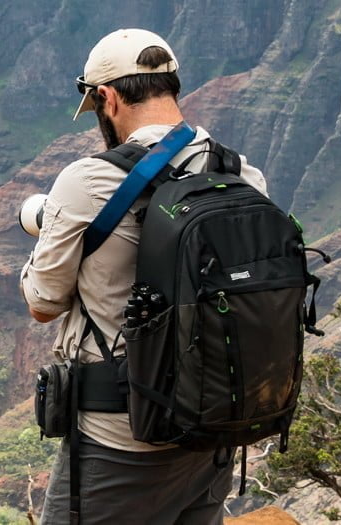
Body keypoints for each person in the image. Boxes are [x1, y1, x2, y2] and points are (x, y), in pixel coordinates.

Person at [20, 29, 268, 524]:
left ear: (107, 98)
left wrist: (52, 230)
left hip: (120, 438)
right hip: (211, 427)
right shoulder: (243, 175)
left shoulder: (87, 181)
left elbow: (43, 303)